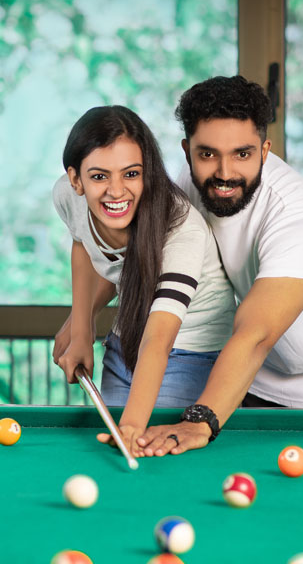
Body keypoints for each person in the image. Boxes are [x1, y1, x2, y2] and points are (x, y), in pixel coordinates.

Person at [137, 76, 303, 456]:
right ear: (187, 150)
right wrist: (81, 318)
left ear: (265, 149)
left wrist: (200, 419)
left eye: (242, 154)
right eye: (207, 154)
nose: (225, 173)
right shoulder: (191, 186)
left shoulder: (298, 215)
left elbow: (256, 332)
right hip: (262, 370)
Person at [51, 105, 235, 456]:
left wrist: (133, 426)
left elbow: (159, 339)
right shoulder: (67, 197)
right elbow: (82, 245)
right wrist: (80, 331)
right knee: (115, 454)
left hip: (190, 351)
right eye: (99, 176)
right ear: (76, 180)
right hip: (125, 342)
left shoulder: (182, 228)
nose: (116, 191)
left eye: (131, 174)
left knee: (149, 454)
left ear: (147, 173)